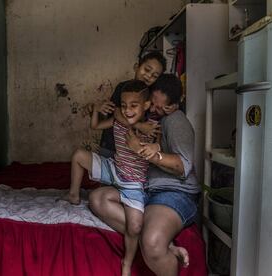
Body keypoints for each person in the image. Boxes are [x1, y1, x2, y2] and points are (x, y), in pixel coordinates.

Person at [89, 74, 200, 276]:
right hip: (146, 190)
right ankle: (170, 248)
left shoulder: (174, 120)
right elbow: (121, 114)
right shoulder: (147, 118)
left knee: (152, 242)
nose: (156, 110)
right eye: (153, 105)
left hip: (173, 191)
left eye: (162, 107)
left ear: (174, 106)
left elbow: (182, 167)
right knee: (97, 199)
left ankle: (161, 247)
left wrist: (140, 151)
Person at [63, 80, 158, 276]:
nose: (127, 111)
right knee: (79, 155)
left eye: (134, 106)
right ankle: (73, 195)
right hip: (114, 169)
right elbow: (95, 125)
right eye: (123, 106)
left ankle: (127, 263)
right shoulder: (118, 120)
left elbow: (157, 151)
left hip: (134, 184)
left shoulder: (153, 128)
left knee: (134, 226)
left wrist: (146, 142)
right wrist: (96, 109)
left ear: (146, 105)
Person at [99, 51, 167, 158]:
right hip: (111, 144)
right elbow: (116, 112)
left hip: (133, 153)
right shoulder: (122, 87)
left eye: (154, 76)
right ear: (137, 67)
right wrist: (139, 126)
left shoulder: (151, 94)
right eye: (147, 70)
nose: (148, 76)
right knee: (103, 171)